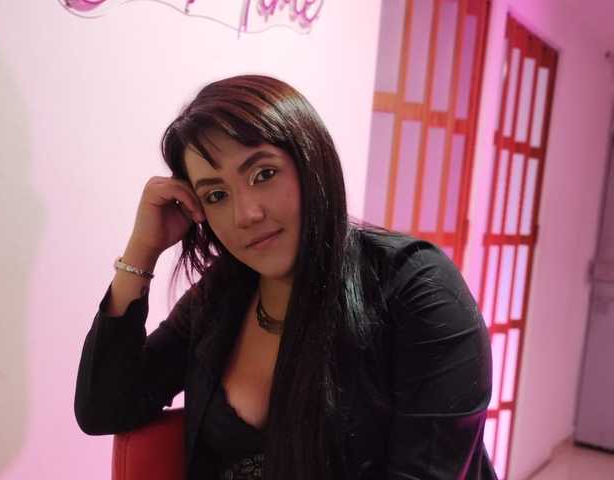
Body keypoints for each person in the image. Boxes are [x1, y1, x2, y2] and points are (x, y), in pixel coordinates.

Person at [74, 74, 498, 480]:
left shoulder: (417, 290)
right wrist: (142, 249)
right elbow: (105, 409)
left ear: (311, 162)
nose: (246, 214)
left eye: (264, 174)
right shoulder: (223, 295)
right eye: (216, 195)